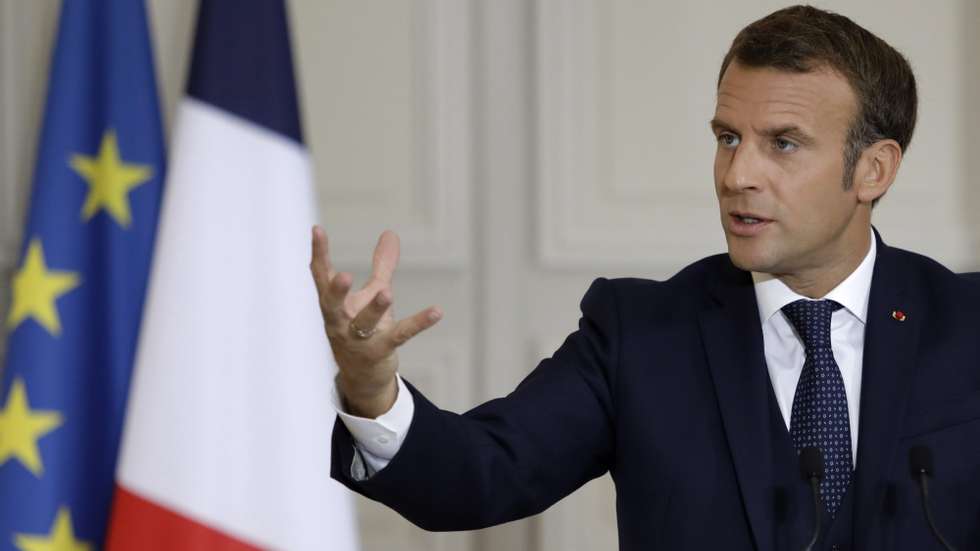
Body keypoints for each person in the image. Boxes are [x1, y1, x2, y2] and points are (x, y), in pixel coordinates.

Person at [310, 5, 980, 550]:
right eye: (726, 137)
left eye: (782, 142)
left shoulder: (967, 325)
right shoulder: (639, 334)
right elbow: (478, 475)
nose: (737, 174)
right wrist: (372, 390)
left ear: (874, 170)